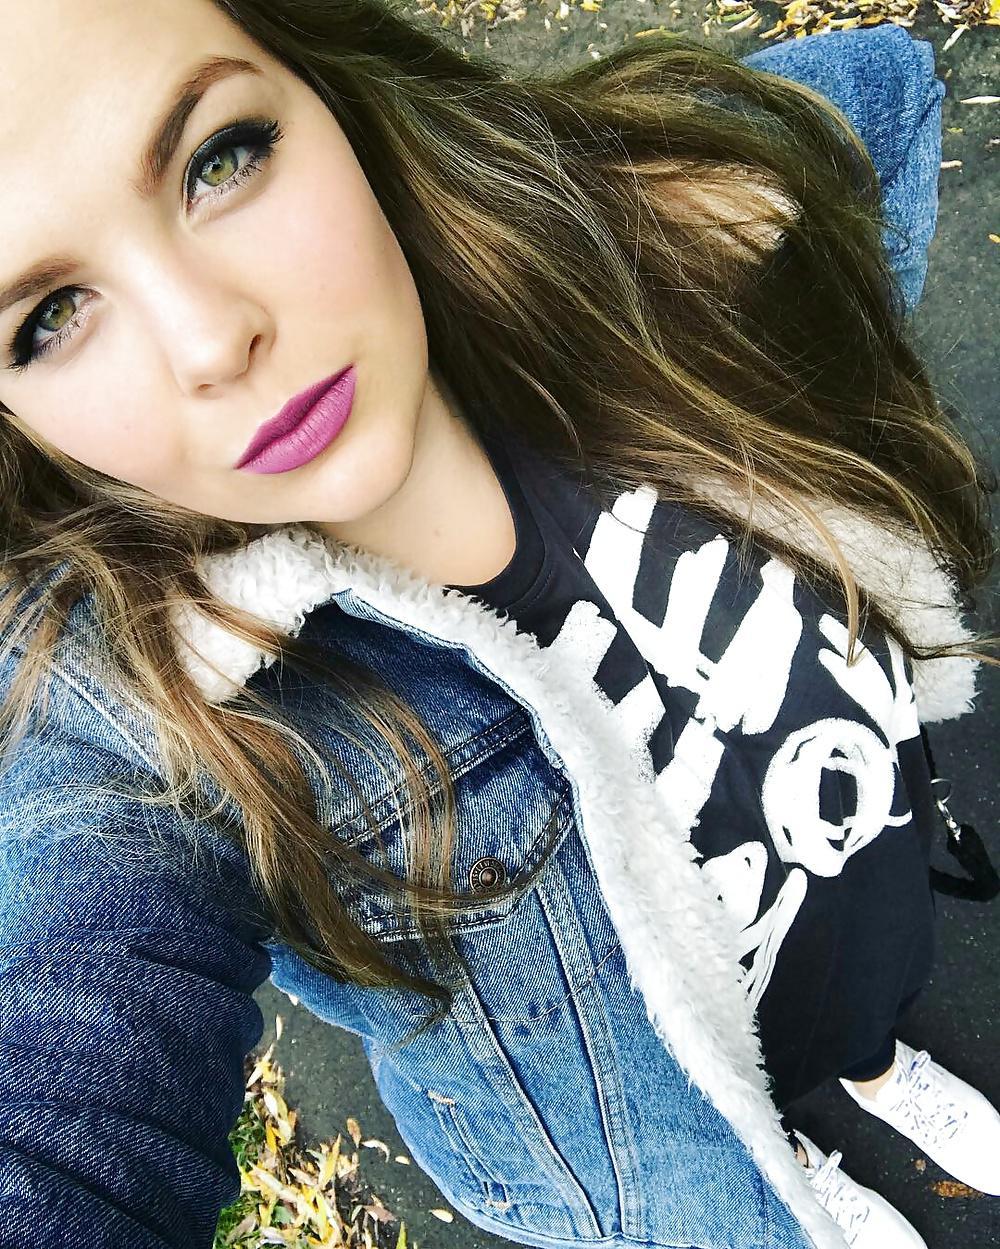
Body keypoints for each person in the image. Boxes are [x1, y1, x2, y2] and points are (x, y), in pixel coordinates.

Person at [0, 1, 996, 1247]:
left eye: (221, 156)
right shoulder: (134, 737)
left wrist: (680, 238)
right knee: (742, 1124)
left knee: (861, 995)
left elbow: (880, 101)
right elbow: (65, 1097)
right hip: (655, 1138)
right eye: (47, 318)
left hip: (863, 882)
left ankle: (873, 1067)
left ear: (329, 89)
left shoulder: (650, 249)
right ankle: (785, 1168)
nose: (213, 339)